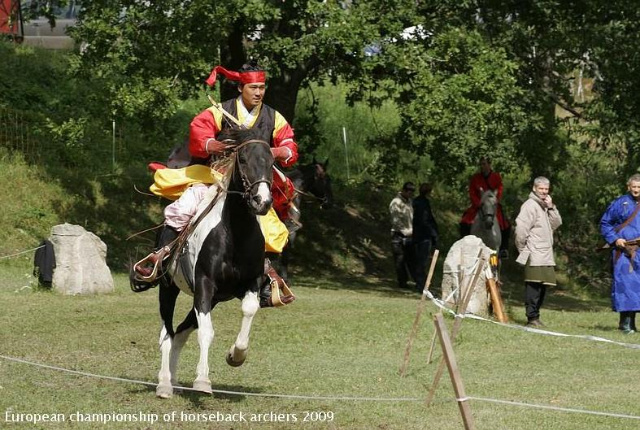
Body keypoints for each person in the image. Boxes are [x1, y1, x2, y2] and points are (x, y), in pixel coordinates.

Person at [132, 62, 298, 307]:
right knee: (183, 209)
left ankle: (266, 281)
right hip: (216, 177)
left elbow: (290, 144)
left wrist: (278, 150)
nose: (258, 92)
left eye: (262, 87)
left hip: (252, 182)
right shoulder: (221, 111)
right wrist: (212, 145)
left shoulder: (274, 117)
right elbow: (198, 131)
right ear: (241, 87)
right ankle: (160, 259)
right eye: (253, 87)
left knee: (271, 227)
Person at [514, 176, 562, 327]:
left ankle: (536, 317)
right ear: (534, 188)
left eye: (546, 189)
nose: (543, 192)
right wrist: (523, 249)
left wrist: (551, 207)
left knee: (542, 287)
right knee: (533, 287)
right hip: (534, 253)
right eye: (540, 189)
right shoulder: (530, 205)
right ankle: (531, 318)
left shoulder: (544, 206)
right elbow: (520, 230)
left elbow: (557, 223)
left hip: (546, 254)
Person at [599, 173, 640, 334]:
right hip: (623, 252)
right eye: (634, 187)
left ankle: (633, 323)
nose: (636, 190)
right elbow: (605, 223)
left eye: (639, 187)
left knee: (638, 288)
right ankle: (625, 323)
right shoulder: (620, 203)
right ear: (628, 187)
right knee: (625, 286)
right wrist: (615, 239)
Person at [460, 157, 511, 258]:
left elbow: (499, 190)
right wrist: (478, 203)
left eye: (484, 164)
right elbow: (472, 192)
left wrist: (494, 201)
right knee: (465, 221)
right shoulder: (475, 178)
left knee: (506, 224)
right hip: (479, 205)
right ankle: (463, 244)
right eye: (481, 164)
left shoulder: (496, 177)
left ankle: (503, 249)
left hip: (492, 205)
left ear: (489, 165)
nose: (482, 166)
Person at [412, 183, 439, 292]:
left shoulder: (415, 201)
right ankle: (421, 284)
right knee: (422, 261)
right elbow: (426, 220)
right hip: (424, 236)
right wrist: (434, 234)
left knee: (419, 260)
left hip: (417, 235)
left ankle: (420, 283)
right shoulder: (423, 203)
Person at [389, 181, 416, 289]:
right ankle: (402, 282)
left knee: (410, 258)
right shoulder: (396, 202)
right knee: (400, 259)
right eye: (409, 191)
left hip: (410, 234)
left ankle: (413, 280)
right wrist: (406, 231)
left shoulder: (409, 202)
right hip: (398, 234)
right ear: (404, 190)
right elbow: (396, 220)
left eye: (412, 192)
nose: (411, 194)